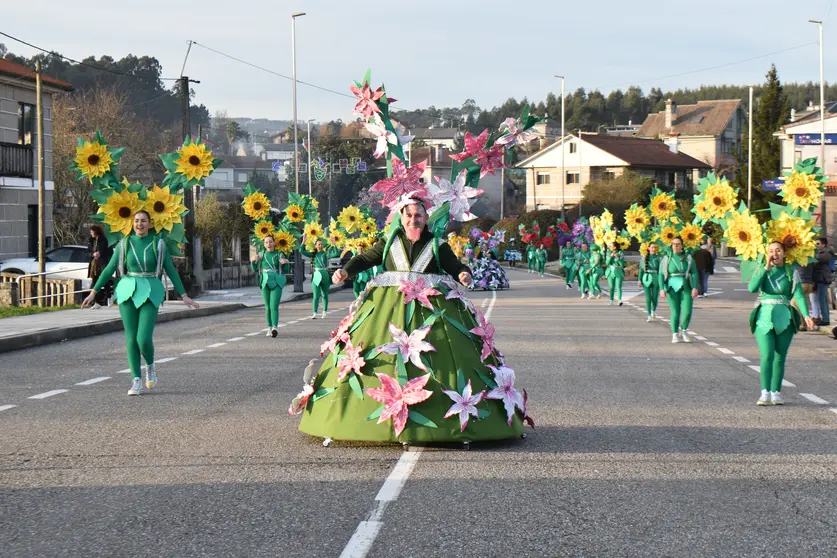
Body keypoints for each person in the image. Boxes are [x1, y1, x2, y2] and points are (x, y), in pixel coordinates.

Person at [295, 196, 529, 444]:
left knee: (443, 359)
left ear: (426, 218)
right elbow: (365, 259)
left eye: (418, 215)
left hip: (431, 312)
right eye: (408, 215)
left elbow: (454, 265)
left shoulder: (437, 244)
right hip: (388, 309)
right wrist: (346, 270)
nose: (413, 220)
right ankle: (352, 419)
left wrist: (463, 274)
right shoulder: (389, 243)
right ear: (401, 217)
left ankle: (447, 420)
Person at [81, 211, 199, 395]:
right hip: (127, 290)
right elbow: (109, 269)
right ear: (132, 223)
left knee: (142, 338)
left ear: (150, 224)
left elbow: (171, 271)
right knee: (131, 338)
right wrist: (93, 292)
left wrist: (184, 295)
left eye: (143, 221)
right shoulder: (124, 244)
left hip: (151, 289)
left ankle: (150, 366)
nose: (139, 224)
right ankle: (136, 380)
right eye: (136, 221)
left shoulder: (158, 244)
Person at [748, 241, 815, 405]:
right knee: (767, 355)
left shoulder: (791, 273)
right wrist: (765, 269)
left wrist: (806, 315)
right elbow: (752, 288)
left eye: (778, 250)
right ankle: (764, 392)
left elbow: (798, 294)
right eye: (771, 251)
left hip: (785, 315)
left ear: (785, 253)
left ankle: (776, 392)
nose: (774, 254)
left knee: (779, 356)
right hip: (764, 316)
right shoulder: (762, 270)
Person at [660, 237, 699, 343]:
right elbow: (661, 274)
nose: (675, 246)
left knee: (687, 311)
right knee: (675, 312)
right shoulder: (667, 258)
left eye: (678, 244)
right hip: (671, 288)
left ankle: (684, 330)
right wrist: (662, 288)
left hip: (686, 286)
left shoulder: (688, 258)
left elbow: (694, 272)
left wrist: (695, 287)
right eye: (673, 244)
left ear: (682, 245)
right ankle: (675, 334)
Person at [251, 235, 289, 337]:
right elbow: (255, 269)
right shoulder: (261, 254)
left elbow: (286, 269)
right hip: (264, 281)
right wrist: (253, 261)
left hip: (276, 281)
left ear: (274, 243)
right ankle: (269, 327)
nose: (269, 244)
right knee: (267, 307)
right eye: (266, 242)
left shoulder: (279, 254)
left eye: (270, 242)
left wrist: (286, 262)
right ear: (264, 244)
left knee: (274, 306)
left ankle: (274, 327)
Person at [300, 238, 339, 319]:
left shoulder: (325, 254)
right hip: (316, 275)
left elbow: (336, 253)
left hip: (325, 275)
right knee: (316, 295)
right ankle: (315, 313)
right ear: (316, 245)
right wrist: (304, 240)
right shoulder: (313, 254)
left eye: (321, 244)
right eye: (318, 244)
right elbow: (302, 251)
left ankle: (324, 311)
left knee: (324, 294)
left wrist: (334, 244)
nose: (320, 246)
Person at [87, 225, 113, 308]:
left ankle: (109, 296)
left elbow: (109, 252)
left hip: (102, 263)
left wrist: (100, 254)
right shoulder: (91, 241)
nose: (91, 233)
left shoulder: (104, 240)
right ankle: (97, 302)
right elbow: (88, 252)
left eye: (92, 231)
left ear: (96, 231)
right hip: (94, 264)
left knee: (104, 281)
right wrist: (93, 254)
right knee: (95, 281)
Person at [813, 238, 834, 326]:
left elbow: (816, 258)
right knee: (823, 299)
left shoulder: (825, 253)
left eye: (818, 244)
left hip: (823, 279)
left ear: (824, 245)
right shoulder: (824, 253)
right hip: (822, 278)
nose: (816, 245)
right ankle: (825, 318)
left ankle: (825, 319)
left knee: (822, 299)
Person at [639, 242, 661, 321]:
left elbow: (660, 271)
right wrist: (639, 280)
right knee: (648, 298)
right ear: (648, 248)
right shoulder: (644, 258)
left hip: (656, 277)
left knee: (654, 298)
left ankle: (653, 311)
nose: (653, 249)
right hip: (646, 278)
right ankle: (648, 315)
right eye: (652, 247)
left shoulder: (658, 258)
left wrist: (661, 280)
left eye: (655, 247)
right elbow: (641, 270)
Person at [605, 241, 625, 306]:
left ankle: (619, 300)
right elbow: (607, 263)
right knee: (611, 287)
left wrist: (617, 258)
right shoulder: (608, 253)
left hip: (618, 271)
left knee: (618, 286)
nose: (610, 247)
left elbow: (622, 264)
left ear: (615, 247)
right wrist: (610, 257)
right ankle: (611, 300)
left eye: (611, 246)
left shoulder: (620, 253)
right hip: (610, 271)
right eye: (609, 246)